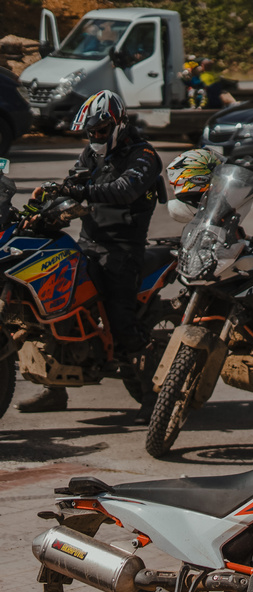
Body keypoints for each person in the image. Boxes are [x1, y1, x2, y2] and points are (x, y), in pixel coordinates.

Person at [18, 91, 165, 415]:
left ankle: (153, 395)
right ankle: (55, 389)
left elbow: (124, 190)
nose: (96, 136)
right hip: (87, 243)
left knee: (121, 319)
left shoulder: (144, 155)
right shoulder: (90, 154)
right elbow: (69, 185)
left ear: (118, 123)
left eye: (101, 130)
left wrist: (76, 190)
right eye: (91, 132)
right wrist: (36, 210)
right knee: (54, 309)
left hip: (123, 250)